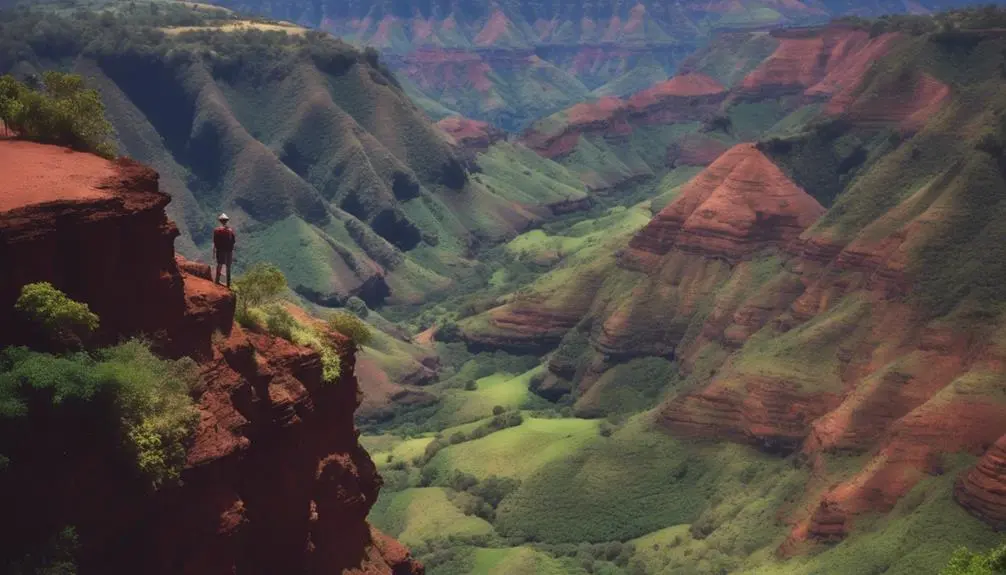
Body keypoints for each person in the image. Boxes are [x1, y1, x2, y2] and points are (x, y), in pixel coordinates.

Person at [213, 213, 236, 288]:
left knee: (219, 265)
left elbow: (215, 241)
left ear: (220, 221)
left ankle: (217, 281)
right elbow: (233, 241)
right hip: (229, 251)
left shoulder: (216, 230)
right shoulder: (230, 230)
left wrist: (216, 249)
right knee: (228, 267)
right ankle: (228, 284)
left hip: (220, 251)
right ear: (226, 221)